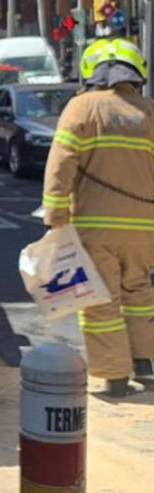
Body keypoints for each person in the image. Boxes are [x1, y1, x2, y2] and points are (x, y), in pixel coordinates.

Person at [42, 38, 154, 397]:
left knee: (100, 299)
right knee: (139, 294)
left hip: (96, 226)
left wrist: (56, 216)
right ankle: (146, 364)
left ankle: (115, 376)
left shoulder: (82, 108)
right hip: (145, 229)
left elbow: (60, 164)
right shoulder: (148, 111)